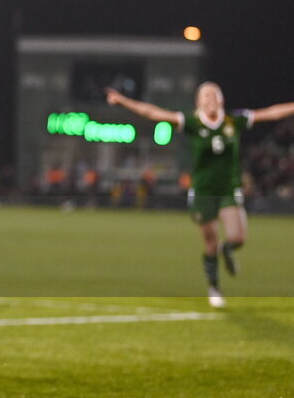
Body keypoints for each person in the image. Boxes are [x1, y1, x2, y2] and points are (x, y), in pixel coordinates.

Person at [107, 82, 294, 307]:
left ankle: (228, 249)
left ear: (222, 100)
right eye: (205, 95)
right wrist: (123, 101)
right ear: (198, 102)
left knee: (237, 238)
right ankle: (214, 287)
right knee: (209, 243)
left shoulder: (233, 121)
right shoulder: (193, 123)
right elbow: (153, 113)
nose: (210, 98)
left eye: (214, 94)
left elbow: (271, 113)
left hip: (228, 188)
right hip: (203, 190)